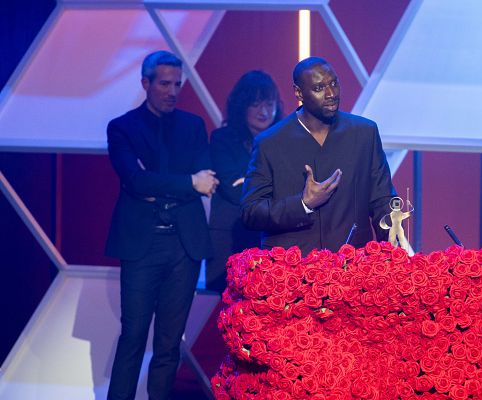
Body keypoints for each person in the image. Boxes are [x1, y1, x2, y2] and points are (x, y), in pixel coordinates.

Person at [104, 50, 219, 400]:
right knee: (134, 336)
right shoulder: (122, 127)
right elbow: (137, 181)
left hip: (183, 247)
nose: (172, 91)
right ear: (146, 83)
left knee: (170, 343)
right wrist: (187, 183)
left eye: (177, 85)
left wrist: (159, 184)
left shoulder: (193, 125)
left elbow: (208, 180)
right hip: (142, 246)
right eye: (165, 84)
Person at [241, 56, 396, 255]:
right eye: (319, 88)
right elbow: (251, 212)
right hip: (293, 270)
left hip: (352, 267)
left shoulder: (364, 133)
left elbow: (382, 200)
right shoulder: (270, 143)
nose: (331, 93)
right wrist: (303, 204)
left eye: (334, 83)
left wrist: (393, 250)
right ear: (299, 92)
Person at [207, 70, 283, 291]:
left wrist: (249, 182)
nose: (265, 112)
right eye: (257, 104)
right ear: (242, 106)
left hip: (272, 239)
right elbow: (232, 188)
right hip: (229, 239)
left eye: (270, 104)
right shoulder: (222, 139)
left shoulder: (285, 140)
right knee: (229, 313)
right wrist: (273, 189)